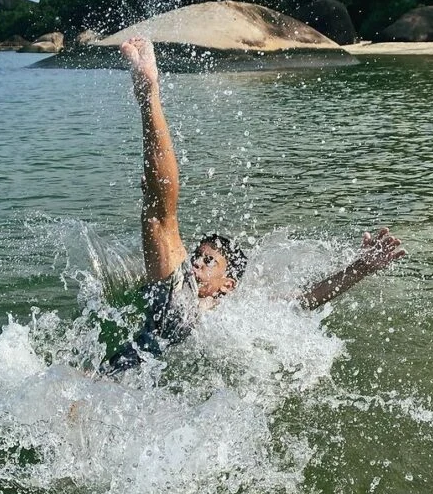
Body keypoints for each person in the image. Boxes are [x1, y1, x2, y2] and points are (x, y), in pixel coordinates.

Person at [103, 37, 404, 373]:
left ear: (228, 285)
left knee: (159, 213)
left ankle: (149, 94)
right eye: (197, 256)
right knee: (155, 211)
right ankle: (148, 95)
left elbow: (305, 300)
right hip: (135, 358)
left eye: (208, 260)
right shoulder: (187, 291)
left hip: (172, 335)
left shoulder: (236, 315)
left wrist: (360, 268)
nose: (197, 263)